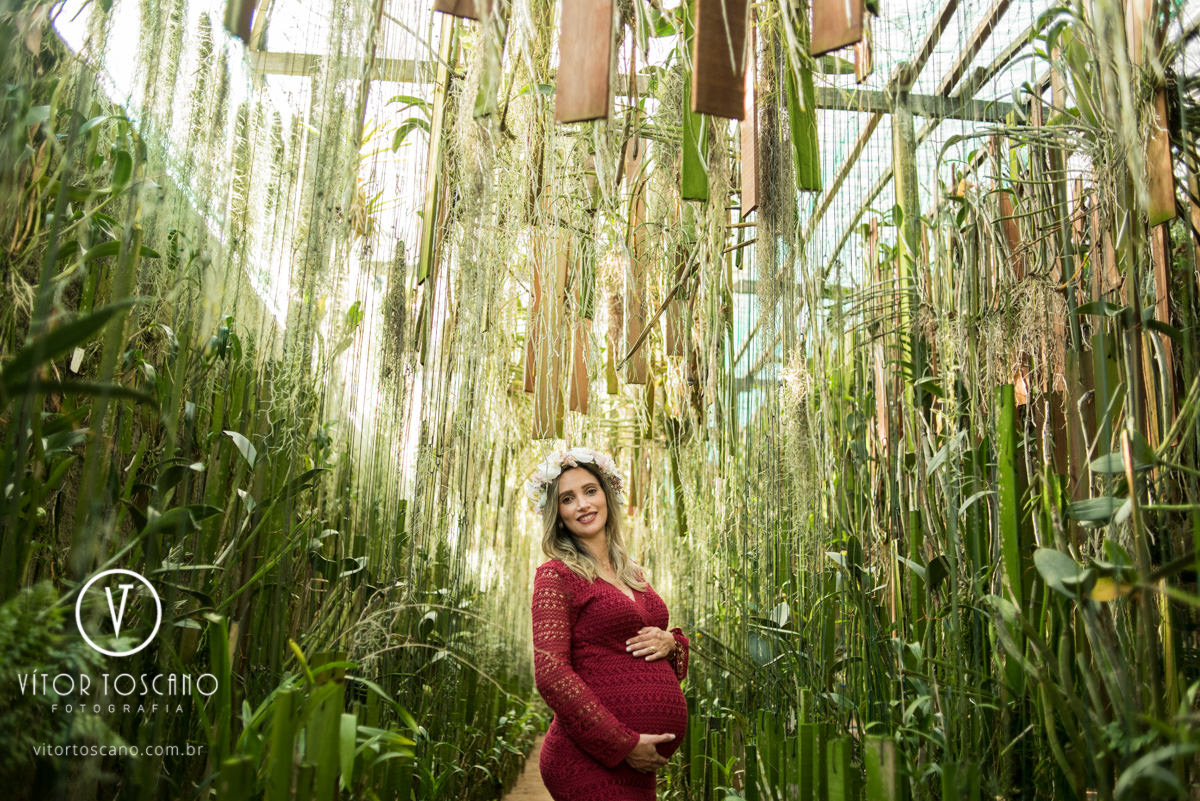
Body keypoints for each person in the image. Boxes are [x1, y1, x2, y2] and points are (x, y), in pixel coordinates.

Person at [526, 447, 690, 801]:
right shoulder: (555, 576)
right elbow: (551, 674)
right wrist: (623, 743)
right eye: (568, 499)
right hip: (589, 759)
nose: (583, 504)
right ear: (557, 514)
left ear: (606, 495)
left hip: (638, 762)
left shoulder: (632, 573)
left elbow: (636, 653)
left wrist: (670, 642)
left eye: (589, 491)